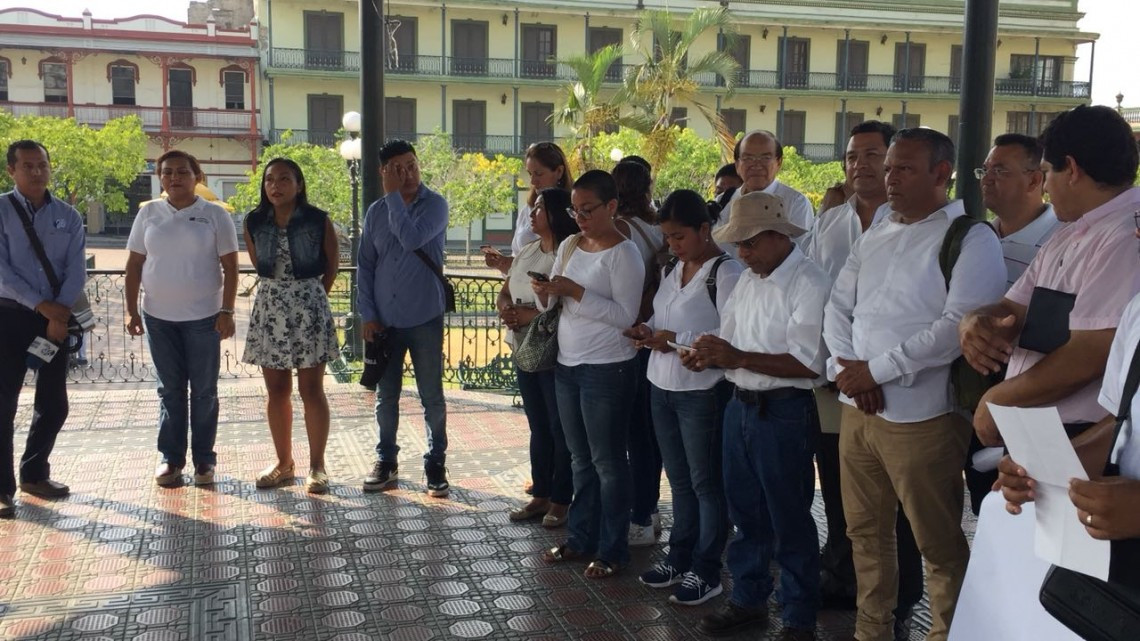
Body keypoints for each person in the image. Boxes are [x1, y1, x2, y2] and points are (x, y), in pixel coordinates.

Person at [823, 128, 1006, 641]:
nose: (890, 178)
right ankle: (872, 629)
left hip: (921, 415)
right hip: (858, 408)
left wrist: (874, 372)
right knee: (865, 533)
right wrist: (850, 370)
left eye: (903, 168)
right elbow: (839, 304)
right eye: (889, 168)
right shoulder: (878, 228)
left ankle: (949, 632)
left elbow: (956, 329)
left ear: (941, 174)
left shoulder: (971, 237)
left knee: (938, 544)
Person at [681, 191, 829, 640]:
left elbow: (810, 364)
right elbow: (730, 342)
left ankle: (800, 615)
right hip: (740, 406)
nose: (742, 254)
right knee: (745, 513)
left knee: (789, 517)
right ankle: (748, 598)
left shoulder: (809, 281)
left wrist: (734, 355)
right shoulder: (749, 279)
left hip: (784, 410)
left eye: (749, 244)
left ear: (778, 236)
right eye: (739, 245)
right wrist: (706, 354)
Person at [960, 105, 1140, 460]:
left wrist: (999, 397)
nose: (1044, 186)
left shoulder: (1125, 236)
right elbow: (1013, 308)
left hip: (1086, 436)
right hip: (1040, 425)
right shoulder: (1072, 232)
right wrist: (974, 323)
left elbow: (1093, 352)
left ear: (1070, 169)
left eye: (1045, 172)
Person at [806, 121, 924, 636]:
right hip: (837, 377)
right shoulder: (830, 222)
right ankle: (844, 576)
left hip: (897, 383)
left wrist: (869, 370)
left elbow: (914, 311)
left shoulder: (917, 225)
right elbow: (821, 300)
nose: (861, 166)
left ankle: (902, 598)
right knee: (840, 487)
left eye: (873, 155)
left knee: (899, 502)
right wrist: (840, 367)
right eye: (852, 156)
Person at [626, 189, 743, 606]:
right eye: (668, 237)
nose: (672, 245)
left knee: (706, 483)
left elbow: (729, 337)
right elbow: (663, 318)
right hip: (662, 385)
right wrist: (648, 331)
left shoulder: (726, 274)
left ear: (704, 229)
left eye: (679, 236)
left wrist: (672, 338)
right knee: (678, 481)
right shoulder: (673, 269)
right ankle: (680, 557)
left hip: (702, 393)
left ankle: (707, 568)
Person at [536, 169, 645, 578]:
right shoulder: (568, 245)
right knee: (580, 459)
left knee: (608, 462)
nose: (579, 217)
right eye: (574, 209)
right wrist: (545, 291)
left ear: (612, 206)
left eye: (588, 209)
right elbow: (553, 305)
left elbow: (625, 316)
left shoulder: (624, 253)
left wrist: (576, 292)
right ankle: (581, 538)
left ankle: (613, 548)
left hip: (608, 369)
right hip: (567, 364)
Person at [125, 150, 239, 487]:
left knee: (204, 392)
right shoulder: (148, 215)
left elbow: (231, 267)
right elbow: (134, 265)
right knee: (170, 391)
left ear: (197, 176)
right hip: (158, 317)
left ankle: (204, 460)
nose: (175, 178)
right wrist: (132, 310)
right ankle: (171, 459)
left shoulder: (215, 215)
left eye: (182, 172)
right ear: (160, 178)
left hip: (205, 318)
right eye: (167, 172)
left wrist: (227, 310)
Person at [961, 133, 1061, 514]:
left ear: (1036, 180)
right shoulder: (974, 238)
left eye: (1000, 170)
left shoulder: (1062, 241)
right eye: (984, 170)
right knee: (985, 510)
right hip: (976, 395)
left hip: (1038, 399)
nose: (987, 178)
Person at [242, 158, 340, 494]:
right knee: (277, 392)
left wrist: (310, 300)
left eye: (284, 179)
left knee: (311, 390)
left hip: (309, 307)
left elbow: (332, 264)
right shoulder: (254, 221)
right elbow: (260, 265)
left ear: (299, 184)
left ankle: (317, 466)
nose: (275, 185)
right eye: (269, 179)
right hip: (271, 309)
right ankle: (283, 463)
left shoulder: (317, 220)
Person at [359, 140, 451, 497]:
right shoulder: (375, 212)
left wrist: (394, 196)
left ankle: (435, 461)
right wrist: (368, 313)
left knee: (432, 396)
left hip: (425, 316)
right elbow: (366, 267)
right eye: (397, 168)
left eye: (411, 165)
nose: (407, 173)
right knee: (387, 396)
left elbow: (412, 238)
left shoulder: (435, 205)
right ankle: (386, 460)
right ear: (383, 172)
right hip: (385, 321)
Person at [0, 140, 85, 517]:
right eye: (28, 166)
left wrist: (58, 313)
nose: (36, 172)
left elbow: (75, 269)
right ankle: (2, 489)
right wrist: (40, 304)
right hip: (8, 317)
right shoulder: (1, 210)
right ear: (11, 171)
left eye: (42, 165)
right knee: (3, 405)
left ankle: (34, 472)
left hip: (54, 321)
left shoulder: (68, 216)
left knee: (54, 404)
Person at [497, 187, 578, 527]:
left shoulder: (567, 251)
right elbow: (505, 290)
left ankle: (562, 499)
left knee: (560, 428)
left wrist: (529, 316)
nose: (533, 213)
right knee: (538, 425)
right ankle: (540, 494)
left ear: (557, 212)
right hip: (524, 349)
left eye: (541, 207)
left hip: (553, 350)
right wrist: (506, 310)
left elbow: (566, 302)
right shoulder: (528, 250)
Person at [612, 159, 666, 547]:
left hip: (631, 335)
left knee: (635, 433)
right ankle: (650, 509)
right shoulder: (658, 225)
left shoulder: (621, 230)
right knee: (648, 433)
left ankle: (641, 514)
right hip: (655, 331)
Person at [713, 130, 815, 253]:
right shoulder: (722, 202)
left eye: (765, 158)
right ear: (737, 165)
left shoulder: (796, 203)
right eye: (748, 158)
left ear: (779, 162)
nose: (756, 164)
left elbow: (801, 252)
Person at [485, 142, 572, 275]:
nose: (533, 181)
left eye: (539, 174)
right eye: (530, 174)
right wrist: (502, 263)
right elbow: (517, 258)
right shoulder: (527, 210)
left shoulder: (573, 211)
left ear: (559, 171)